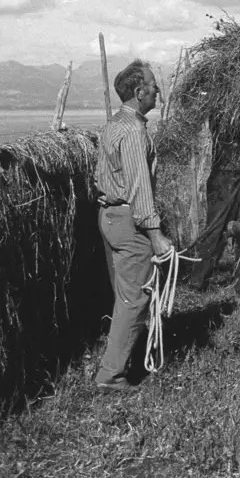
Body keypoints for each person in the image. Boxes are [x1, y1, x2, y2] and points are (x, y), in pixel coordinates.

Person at [92, 59, 176, 392]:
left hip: (110, 217)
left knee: (125, 295)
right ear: (139, 92)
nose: (158, 91)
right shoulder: (132, 130)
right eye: (154, 86)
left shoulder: (115, 124)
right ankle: (111, 374)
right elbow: (140, 186)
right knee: (135, 298)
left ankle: (118, 360)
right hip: (130, 221)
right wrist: (155, 235)